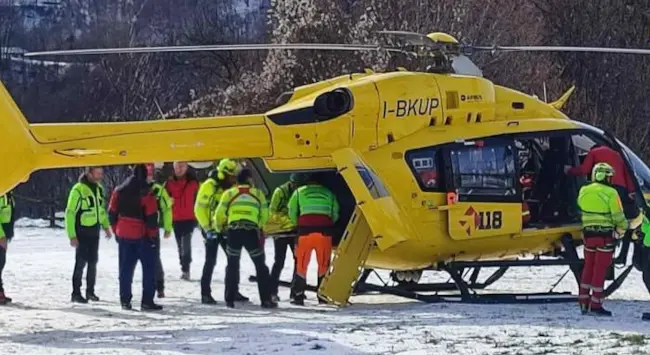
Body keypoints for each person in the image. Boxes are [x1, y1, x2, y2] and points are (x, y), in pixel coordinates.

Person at [215, 168, 276, 309]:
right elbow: (265, 215)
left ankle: (229, 299)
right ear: (249, 179)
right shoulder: (258, 194)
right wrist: (259, 226)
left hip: (233, 232)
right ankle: (266, 300)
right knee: (261, 266)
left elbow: (219, 214)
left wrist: (219, 228)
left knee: (232, 265)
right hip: (251, 232)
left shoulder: (229, 194)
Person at [576, 163, 628, 316]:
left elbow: (579, 207)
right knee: (600, 270)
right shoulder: (611, 192)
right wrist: (624, 228)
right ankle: (596, 304)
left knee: (588, 267)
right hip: (605, 237)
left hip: (588, 236)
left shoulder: (584, 190)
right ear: (606, 176)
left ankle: (583, 302)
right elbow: (618, 216)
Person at [108, 163, 162, 311]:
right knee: (148, 269)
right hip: (142, 235)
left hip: (124, 234)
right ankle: (147, 301)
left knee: (125, 270)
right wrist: (152, 236)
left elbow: (111, 213)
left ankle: (125, 300)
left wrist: (116, 230)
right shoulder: (147, 193)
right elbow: (151, 217)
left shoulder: (118, 190)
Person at [195, 159, 249, 304]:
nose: (234, 179)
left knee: (233, 260)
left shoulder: (231, 187)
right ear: (223, 174)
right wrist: (207, 229)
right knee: (210, 261)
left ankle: (233, 291)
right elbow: (199, 209)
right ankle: (205, 294)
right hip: (211, 229)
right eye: (232, 176)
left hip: (227, 229)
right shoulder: (209, 186)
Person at [288, 172, 340, 306]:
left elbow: (292, 211)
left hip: (304, 233)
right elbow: (336, 213)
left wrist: (297, 224)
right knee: (323, 265)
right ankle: (323, 296)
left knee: (302, 265)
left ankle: (298, 295)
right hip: (324, 233)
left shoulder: (299, 192)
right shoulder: (329, 193)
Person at [65, 167, 112, 303]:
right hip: (82, 231)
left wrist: (106, 226)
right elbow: (70, 213)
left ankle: (90, 291)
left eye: (101, 173)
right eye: (97, 173)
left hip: (94, 230)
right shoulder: (78, 189)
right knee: (80, 263)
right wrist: (72, 235)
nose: (100, 176)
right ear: (89, 173)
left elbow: (101, 210)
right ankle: (76, 293)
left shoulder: (99, 189)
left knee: (93, 262)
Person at [566, 144, 639, 220]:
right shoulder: (617, 154)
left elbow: (584, 170)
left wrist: (570, 170)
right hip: (621, 188)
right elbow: (628, 173)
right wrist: (631, 190)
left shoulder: (593, 152)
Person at [268, 173, 306, 302]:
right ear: (291, 183)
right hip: (281, 231)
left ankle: (295, 290)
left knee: (298, 260)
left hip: (294, 231)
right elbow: (273, 212)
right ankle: (272, 291)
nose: (297, 187)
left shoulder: (301, 192)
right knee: (279, 261)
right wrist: (288, 221)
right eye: (296, 185)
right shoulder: (280, 192)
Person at [165, 161, 199, 280]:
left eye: (181, 166)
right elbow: (163, 201)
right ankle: (184, 267)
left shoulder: (193, 182)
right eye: (177, 166)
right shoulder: (168, 183)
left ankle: (186, 268)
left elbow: (199, 199)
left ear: (186, 167)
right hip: (175, 219)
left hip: (189, 218)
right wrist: (169, 202)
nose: (179, 169)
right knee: (180, 245)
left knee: (186, 244)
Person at [151, 177, 173, 298]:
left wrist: (167, 227)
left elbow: (167, 209)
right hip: (137, 229)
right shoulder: (133, 187)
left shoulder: (158, 190)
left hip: (153, 229)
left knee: (155, 258)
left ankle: (159, 287)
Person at [0, 191, 15, 305]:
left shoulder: (8, 194)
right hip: (1, 234)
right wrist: (1, 236)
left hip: (5, 232)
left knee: (1, 263)